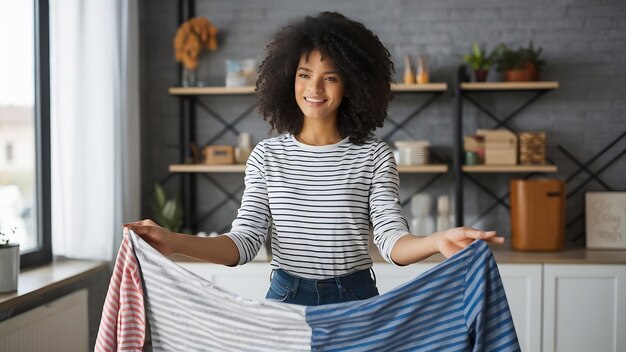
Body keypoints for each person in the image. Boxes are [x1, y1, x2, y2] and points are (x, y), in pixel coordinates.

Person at [125, 11, 503, 306]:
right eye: (305, 74)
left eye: (331, 77)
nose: (314, 89)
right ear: (288, 78)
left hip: (355, 300)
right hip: (287, 298)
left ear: (352, 84)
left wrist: (438, 240)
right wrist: (174, 242)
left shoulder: (373, 156)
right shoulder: (267, 157)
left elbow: (392, 243)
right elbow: (243, 243)